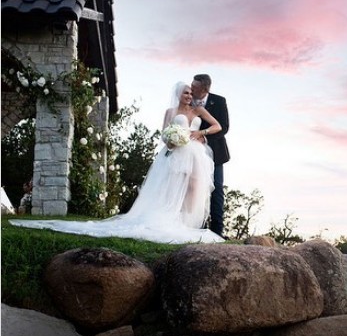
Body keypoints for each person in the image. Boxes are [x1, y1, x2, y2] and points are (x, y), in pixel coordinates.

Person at [10, 82, 224, 244]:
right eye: (185, 92)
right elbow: (164, 134)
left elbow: (217, 126)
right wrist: (171, 140)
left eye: (190, 92)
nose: (188, 95)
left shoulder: (198, 111)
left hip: (194, 153)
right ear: (178, 94)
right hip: (175, 152)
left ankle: (186, 224)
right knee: (171, 187)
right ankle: (171, 220)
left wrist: (199, 133)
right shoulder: (170, 112)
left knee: (194, 188)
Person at [191, 74, 230, 237]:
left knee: (216, 188)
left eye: (195, 87)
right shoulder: (187, 99)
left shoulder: (219, 101)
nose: (191, 89)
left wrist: (204, 137)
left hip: (215, 152)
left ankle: (217, 231)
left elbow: (224, 127)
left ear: (204, 89)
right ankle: (195, 226)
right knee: (193, 188)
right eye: (191, 85)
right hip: (192, 153)